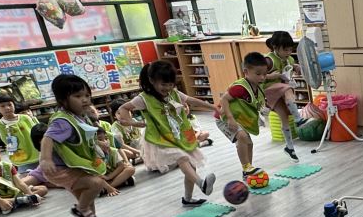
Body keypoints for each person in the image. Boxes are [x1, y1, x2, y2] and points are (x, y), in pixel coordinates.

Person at [115, 61, 216, 206]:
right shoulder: (144, 98)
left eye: (170, 84)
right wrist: (133, 123)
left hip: (180, 135)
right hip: (160, 138)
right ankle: (202, 184)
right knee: (182, 158)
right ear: (152, 81)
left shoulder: (174, 93)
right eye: (163, 84)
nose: (167, 88)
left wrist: (213, 107)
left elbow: (192, 100)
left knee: (191, 166)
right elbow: (123, 108)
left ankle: (188, 199)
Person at [38, 74, 114, 217]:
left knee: (89, 207)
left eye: (87, 95)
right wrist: (45, 159)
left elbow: (84, 138)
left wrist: (100, 144)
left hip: (74, 166)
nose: (84, 99)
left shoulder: (80, 116)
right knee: (96, 183)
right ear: (62, 100)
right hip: (60, 169)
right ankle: (81, 209)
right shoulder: (63, 121)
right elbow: (47, 138)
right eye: (78, 96)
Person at [216, 52, 275, 177]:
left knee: (249, 143)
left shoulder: (258, 86)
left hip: (239, 118)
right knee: (242, 136)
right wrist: (230, 119)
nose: (262, 77)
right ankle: (246, 167)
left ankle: (248, 170)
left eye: (265, 74)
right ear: (246, 72)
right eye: (258, 74)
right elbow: (224, 99)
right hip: (224, 117)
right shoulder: (240, 87)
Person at [262, 32, 309, 162]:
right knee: (287, 89)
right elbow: (258, 76)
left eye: (290, 50)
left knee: (284, 117)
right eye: (285, 50)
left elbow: (290, 67)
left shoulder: (289, 59)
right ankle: (298, 119)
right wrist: (273, 76)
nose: (288, 52)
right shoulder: (268, 60)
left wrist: (296, 67)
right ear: (275, 47)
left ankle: (290, 147)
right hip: (271, 90)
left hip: (281, 92)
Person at [0, 138, 47, 214]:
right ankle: (18, 201)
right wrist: (1, 201)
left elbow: (19, 183)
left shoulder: (8, 166)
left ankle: (18, 202)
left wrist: (31, 194)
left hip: (13, 192)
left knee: (42, 189)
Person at [0, 95, 40, 175]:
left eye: (10, 104)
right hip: (20, 155)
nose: (7, 108)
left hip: (35, 150)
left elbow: (37, 130)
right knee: (27, 175)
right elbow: (7, 141)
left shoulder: (25, 118)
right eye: (2, 106)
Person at [96, 126, 135, 191]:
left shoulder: (113, 151)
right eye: (100, 140)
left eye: (106, 138)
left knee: (130, 169)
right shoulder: (95, 154)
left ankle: (108, 187)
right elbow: (97, 170)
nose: (105, 142)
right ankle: (120, 182)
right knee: (97, 178)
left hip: (114, 174)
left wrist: (109, 177)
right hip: (103, 177)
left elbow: (121, 165)